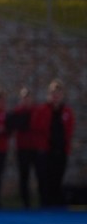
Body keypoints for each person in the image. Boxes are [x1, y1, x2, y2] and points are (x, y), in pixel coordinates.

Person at [31, 79, 76, 207]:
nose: (55, 96)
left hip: (61, 150)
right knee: (45, 179)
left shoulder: (66, 111)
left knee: (58, 178)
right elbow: (36, 127)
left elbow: (69, 129)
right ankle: (45, 203)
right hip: (46, 150)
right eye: (53, 93)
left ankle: (56, 204)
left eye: (58, 93)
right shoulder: (42, 110)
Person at [6, 87, 39, 208]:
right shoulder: (17, 112)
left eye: (28, 98)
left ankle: (43, 201)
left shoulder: (37, 111)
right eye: (24, 98)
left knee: (40, 175)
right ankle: (25, 202)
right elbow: (13, 126)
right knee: (23, 175)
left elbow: (37, 127)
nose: (26, 100)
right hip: (22, 148)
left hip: (36, 148)